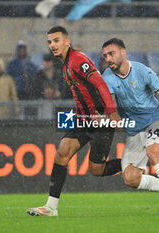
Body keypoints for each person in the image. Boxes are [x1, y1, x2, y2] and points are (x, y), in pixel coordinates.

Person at [27, 26, 121, 217]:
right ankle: (51, 207)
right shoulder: (65, 64)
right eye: (49, 42)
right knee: (61, 153)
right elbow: (83, 94)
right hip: (84, 120)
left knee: (96, 169)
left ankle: (133, 163)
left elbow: (100, 84)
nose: (52, 45)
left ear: (67, 41)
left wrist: (111, 112)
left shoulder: (78, 59)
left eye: (56, 40)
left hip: (100, 118)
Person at [101, 38, 159, 215]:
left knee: (153, 153)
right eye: (105, 56)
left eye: (111, 54)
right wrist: (112, 115)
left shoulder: (142, 71)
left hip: (155, 120)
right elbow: (109, 105)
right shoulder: (106, 77)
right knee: (131, 179)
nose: (108, 59)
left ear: (123, 52)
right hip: (134, 130)